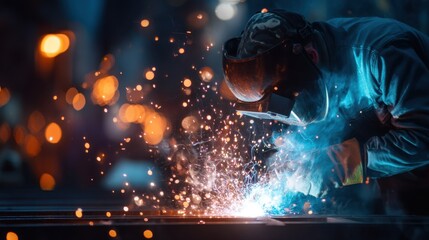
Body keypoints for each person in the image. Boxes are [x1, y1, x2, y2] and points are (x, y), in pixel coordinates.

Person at [222, 9, 429, 215]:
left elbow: (422, 137)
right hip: (398, 194)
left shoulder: (380, 55)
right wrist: (288, 164)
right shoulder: (309, 70)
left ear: (312, 55)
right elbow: (319, 133)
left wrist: (344, 164)